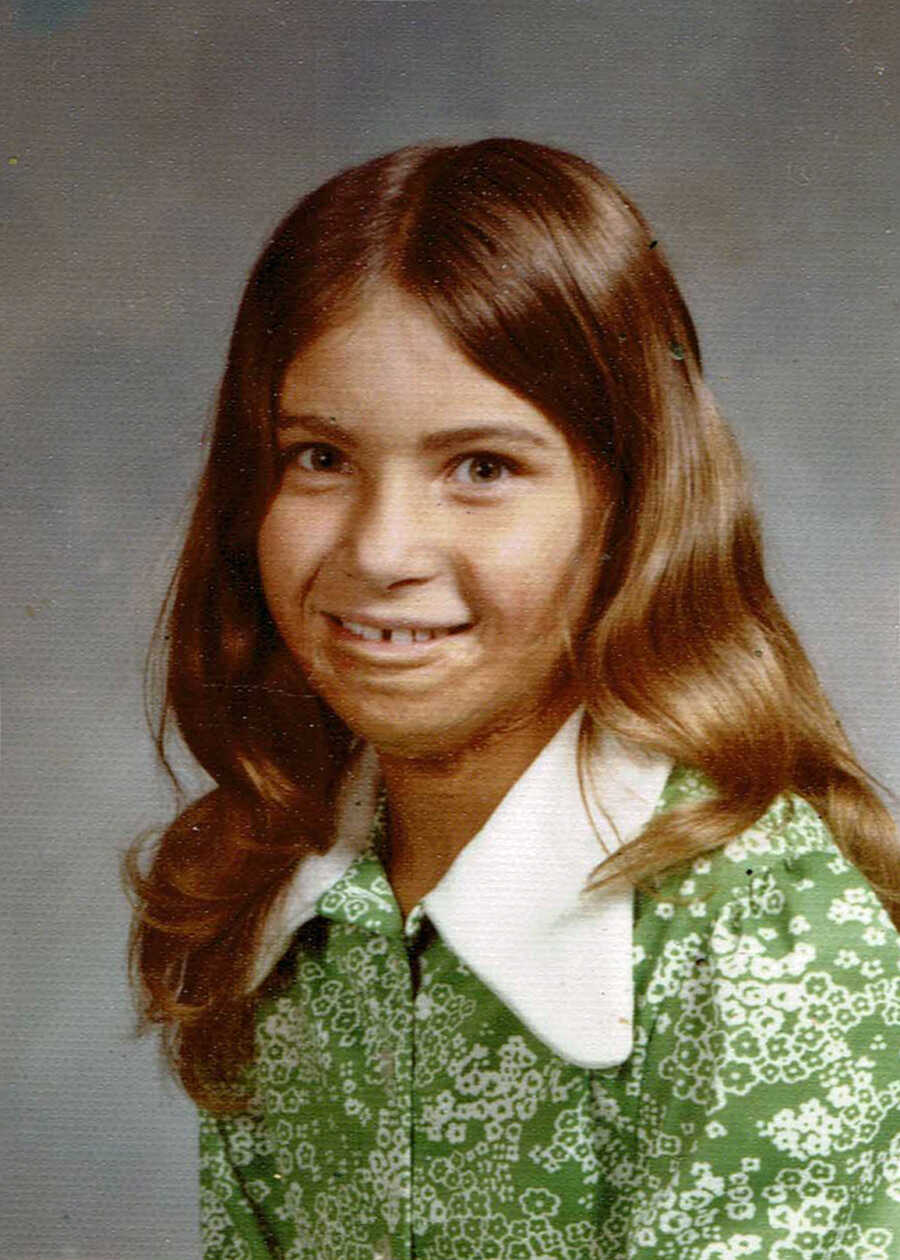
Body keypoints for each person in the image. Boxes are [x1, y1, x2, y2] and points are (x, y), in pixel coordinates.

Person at [126, 139, 900, 1260]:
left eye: (482, 467)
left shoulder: (759, 934)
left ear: (634, 503)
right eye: (319, 458)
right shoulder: (284, 898)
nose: (382, 549)